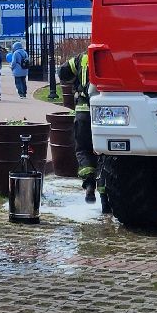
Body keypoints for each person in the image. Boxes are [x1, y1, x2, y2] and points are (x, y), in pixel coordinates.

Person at [64, 52, 98, 202]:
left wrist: (75, 80)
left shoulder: (82, 58)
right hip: (106, 112)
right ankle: (105, 197)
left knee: (83, 149)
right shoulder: (112, 54)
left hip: (83, 111)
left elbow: (63, 72)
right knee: (106, 153)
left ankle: (89, 184)